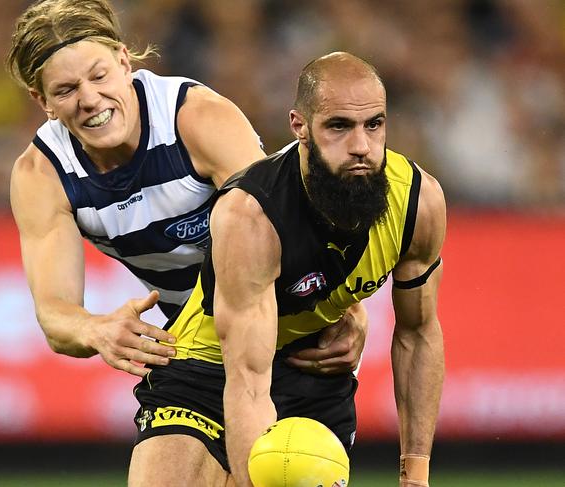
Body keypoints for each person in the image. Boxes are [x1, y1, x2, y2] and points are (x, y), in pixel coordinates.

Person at [5, 0, 367, 476]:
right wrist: (96, 329)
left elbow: (288, 224)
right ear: (42, 101)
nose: (90, 99)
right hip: (194, 347)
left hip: (288, 335)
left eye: (98, 76)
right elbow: (55, 314)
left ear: (123, 60)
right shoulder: (41, 174)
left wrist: (348, 307)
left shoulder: (197, 119)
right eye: (67, 90)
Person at [131, 52, 446, 487]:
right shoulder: (251, 215)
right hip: (206, 368)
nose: (361, 146)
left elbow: (418, 333)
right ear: (299, 126)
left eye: (374, 124)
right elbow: (248, 380)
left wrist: (416, 475)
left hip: (313, 368)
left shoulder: (418, 201)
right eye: (338, 126)